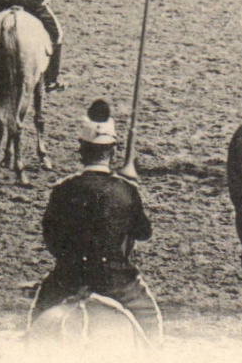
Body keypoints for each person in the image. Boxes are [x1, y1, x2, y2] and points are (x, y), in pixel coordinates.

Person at [30, 98, 162, 343]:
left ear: (81, 150)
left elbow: (51, 238)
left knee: (36, 322)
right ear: (113, 151)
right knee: (151, 323)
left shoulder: (63, 189)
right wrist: (131, 193)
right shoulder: (126, 190)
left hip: (68, 278)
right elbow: (144, 232)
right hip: (116, 281)